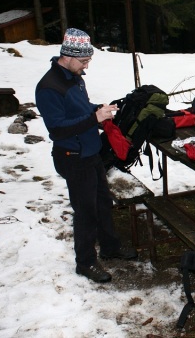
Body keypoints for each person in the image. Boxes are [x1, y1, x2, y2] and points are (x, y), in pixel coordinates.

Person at [35, 28, 137, 283]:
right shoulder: (49, 87)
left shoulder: (75, 77)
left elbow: (78, 111)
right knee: (85, 211)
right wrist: (93, 118)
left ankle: (110, 247)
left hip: (91, 152)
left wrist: (98, 110)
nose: (87, 65)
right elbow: (58, 129)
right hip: (72, 155)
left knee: (103, 203)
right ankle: (86, 262)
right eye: (84, 61)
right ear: (67, 56)